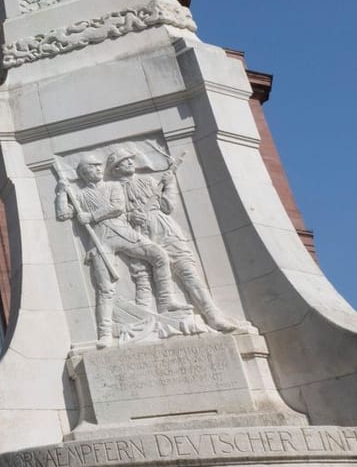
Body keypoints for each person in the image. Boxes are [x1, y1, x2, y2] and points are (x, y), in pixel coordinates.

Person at [108, 144, 239, 334]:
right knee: (143, 279)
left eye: (130, 159)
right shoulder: (113, 189)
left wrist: (169, 185)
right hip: (137, 235)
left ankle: (213, 315)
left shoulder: (148, 182)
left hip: (164, 229)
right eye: (124, 161)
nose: (130, 162)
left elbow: (167, 207)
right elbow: (112, 217)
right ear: (115, 169)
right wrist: (130, 218)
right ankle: (153, 321)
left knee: (188, 271)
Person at [54, 153, 170, 346]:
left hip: (122, 232)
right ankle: (105, 333)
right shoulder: (79, 196)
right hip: (100, 240)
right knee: (105, 288)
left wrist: (91, 216)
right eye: (93, 167)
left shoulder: (113, 186)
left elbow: (117, 207)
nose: (99, 169)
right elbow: (63, 214)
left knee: (159, 256)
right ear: (84, 172)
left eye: (100, 166)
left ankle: (165, 302)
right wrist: (61, 193)